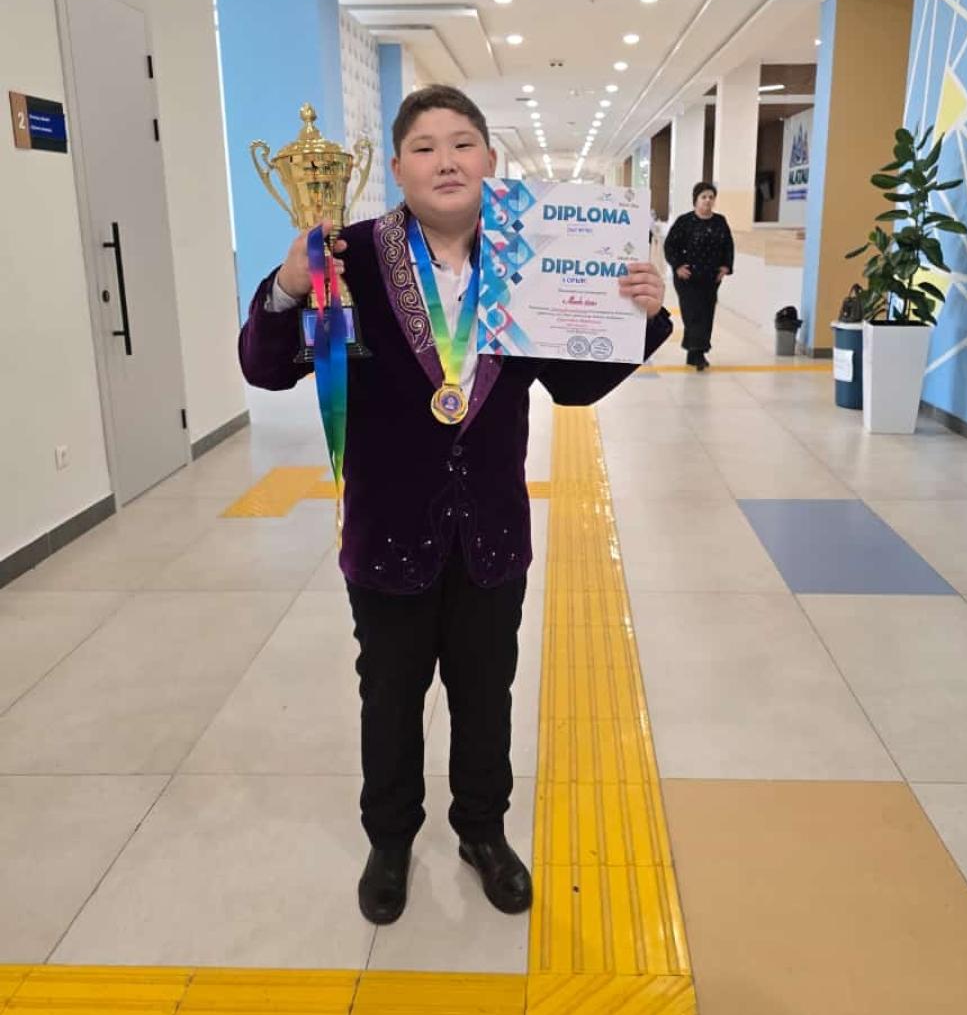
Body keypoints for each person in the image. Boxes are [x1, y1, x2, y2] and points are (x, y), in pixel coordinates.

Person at [239, 85, 671, 926]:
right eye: (426, 146)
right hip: (387, 530)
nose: (447, 160)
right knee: (389, 696)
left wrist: (641, 318)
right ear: (397, 168)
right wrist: (289, 285)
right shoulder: (352, 257)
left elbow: (573, 386)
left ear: (490, 162)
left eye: (463, 143)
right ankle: (390, 838)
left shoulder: (527, 257)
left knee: (486, 692)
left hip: (491, 533)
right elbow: (267, 367)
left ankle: (482, 830)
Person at [663, 182, 735, 369]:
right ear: (695, 200)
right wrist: (677, 266)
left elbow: (728, 245)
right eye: (704, 197)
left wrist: (725, 267)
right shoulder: (684, 221)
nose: (707, 200)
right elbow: (670, 246)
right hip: (687, 278)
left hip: (710, 278)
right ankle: (699, 353)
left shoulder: (720, 222)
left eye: (711, 197)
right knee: (693, 314)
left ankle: (693, 353)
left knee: (706, 314)